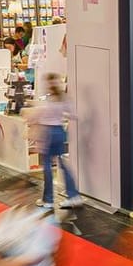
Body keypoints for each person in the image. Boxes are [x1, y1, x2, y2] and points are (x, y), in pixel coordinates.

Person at [28, 72, 81, 209]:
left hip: (48, 133)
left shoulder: (49, 100)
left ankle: (48, 199)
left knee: (47, 166)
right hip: (59, 131)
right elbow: (74, 115)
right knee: (62, 164)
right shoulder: (63, 98)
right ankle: (73, 195)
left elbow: (38, 117)